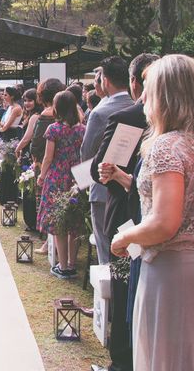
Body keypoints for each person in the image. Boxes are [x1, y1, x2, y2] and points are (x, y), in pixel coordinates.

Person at [109, 55, 194, 371]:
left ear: (167, 95)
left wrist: (124, 237)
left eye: (149, 89)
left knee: (168, 359)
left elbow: (164, 223)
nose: (143, 97)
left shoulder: (168, 146)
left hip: (175, 271)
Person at [90, 53, 159, 371]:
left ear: (137, 82)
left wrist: (111, 172)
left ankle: (123, 359)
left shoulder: (129, 118)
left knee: (124, 283)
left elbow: (98, 168)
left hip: (127, 218)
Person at [81, 56, 133, 265]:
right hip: (132, 187)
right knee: (129, 248)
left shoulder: (100, 112)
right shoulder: (137, 107)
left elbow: (86, 153)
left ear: (106, 81)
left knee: (106, 249)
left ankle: (108, 295)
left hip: (103, 188)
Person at [37, 91, 85, 278]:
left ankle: (63, 266)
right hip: (76, 177)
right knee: (74, 222)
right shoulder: (82, 129)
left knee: (59, 222)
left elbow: (48, 157)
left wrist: (41, 176)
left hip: (57, 176)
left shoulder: (54, 129)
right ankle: (72, 264)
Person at [30, 79, 64, 254]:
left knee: (49, 207)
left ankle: (49, 244)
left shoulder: (46, 116)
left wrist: (39, 169)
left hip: (52, 168)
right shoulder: (75, 115)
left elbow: (37, 144)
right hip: (70, 168)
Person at [15, 88, 43, 231]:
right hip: (27, 153)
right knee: (28, 187)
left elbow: (27, 137)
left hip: (29, 154)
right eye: (25, 100)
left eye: (30, 100)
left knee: (30, 188)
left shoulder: (35, 116)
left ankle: (32, 221)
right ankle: (31, 220)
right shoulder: (30, 115)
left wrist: (17, 148)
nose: (26, 103)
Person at [0, 87, 23, 205]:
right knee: (5, 166)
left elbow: (5, 127)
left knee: (10, 166)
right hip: (7, 136)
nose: (4, 97)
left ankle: (10, 196)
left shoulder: (16, 108)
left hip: (12, 137)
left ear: (11, 96)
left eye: (6, 95)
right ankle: (4, 196)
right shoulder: (10, 108)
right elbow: (3, 127)